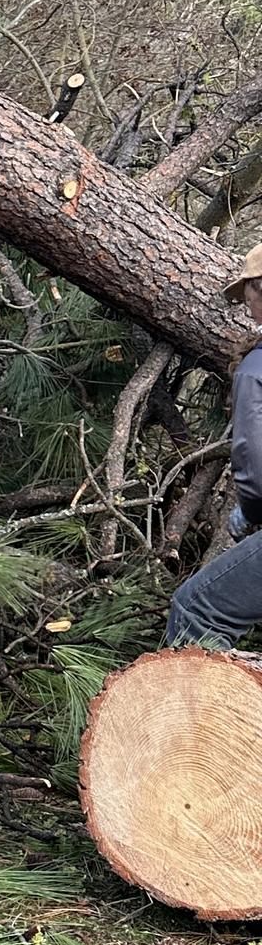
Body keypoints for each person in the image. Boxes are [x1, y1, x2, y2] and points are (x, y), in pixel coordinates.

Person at [166, 245, 262, 647]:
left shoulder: (256, 372)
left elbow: (256, 470)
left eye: (248, 296)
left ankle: (186, 713)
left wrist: (251, 510)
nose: (247, 307)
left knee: (197, 610)